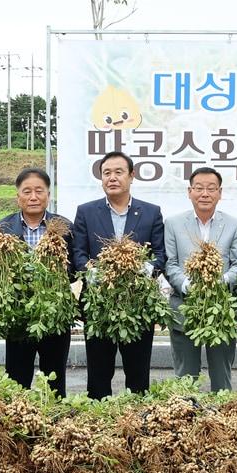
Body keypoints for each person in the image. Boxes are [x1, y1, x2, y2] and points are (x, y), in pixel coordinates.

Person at [71, 151, 166, 399]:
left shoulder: (151, 212)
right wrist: (93, 273)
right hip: (99, 305)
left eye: (118, 172)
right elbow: (78, 253)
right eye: (106, 173)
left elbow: (160, 254)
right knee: (99, 375)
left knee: (138, 375)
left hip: (138, 306)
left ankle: (136, 427)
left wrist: (139, 271)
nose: (112, 178)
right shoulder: (86, 212)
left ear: (131, 176)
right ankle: (99, 427)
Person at [164, 167, 237, 390]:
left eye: (211, 188)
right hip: (184, 309)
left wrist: (221, 282)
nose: (204, 194)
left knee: (222, 378)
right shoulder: (173, 223)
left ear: (220, 192)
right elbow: (170, 263)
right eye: (198, 188)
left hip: (221, 311)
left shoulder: (234, 224)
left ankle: (221, 422)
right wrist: (188, 285)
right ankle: (187, 419)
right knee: (186, 379)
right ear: (190, 192)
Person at [0, 168, 74, 396]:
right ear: (17, 196)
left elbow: (74, 268)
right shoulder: (4, 228)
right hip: (18, 316)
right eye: (27, 191)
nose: (33, 197)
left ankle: (56, 427)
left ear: (48, 195)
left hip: (53, 314)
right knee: (17, 379)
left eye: (39, 191)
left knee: (55, 378)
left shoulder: (64, 227)